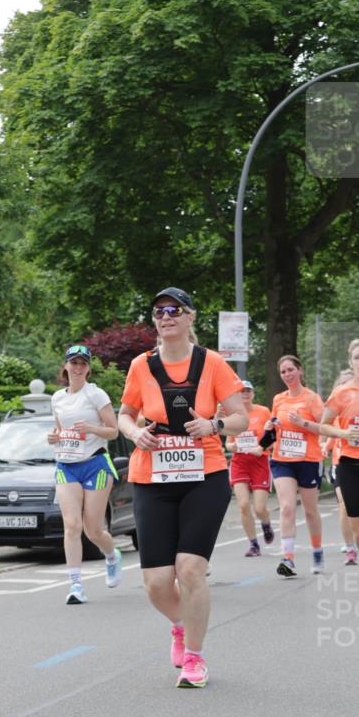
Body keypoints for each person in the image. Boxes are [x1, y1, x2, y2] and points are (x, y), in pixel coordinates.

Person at [118, 288, 247, 688]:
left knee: (190, 569)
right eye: (158, 311)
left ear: (190, 317)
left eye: (174, 309)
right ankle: (179, 623)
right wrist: (134, 433)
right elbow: (125, 415)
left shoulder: (213, 364)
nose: (165, 316)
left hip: (204, 475)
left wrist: (215, 425)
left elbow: (240, 417)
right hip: (152, 477)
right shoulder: (141, 366)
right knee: (157, 583)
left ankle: (195, 657)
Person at [288, 338, 359, 609]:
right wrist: (342, 433)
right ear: (351, 363)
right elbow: (323, 425)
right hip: (350, 466)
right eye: (358, 357)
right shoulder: (342, 393)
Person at [48, 345, 122, 605]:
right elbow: (60, 431)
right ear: (66, 366)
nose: (78, 368)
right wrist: (53, 437)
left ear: (88, 368)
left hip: (95, 465)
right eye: (73, 363)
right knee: (72, 525)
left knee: (93, 530)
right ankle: (76, 585)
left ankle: (112, 555)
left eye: (83, 364)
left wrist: (91, 427)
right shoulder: (57, 398)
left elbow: (113, 431)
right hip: (66, 465)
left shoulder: (96, 395)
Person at [259, 356, 325, 576]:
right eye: (283, 372)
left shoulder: (312, 399)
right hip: (283, 459)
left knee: (310, 511)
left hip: (308, 460)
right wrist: (270, 425)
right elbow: (274, 425)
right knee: (287, 507)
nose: (287, 375)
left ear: (300, 371)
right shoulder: (279, 399)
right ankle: (288, 559)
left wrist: (302, 423)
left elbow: (324, 428)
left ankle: (317, 551)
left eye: (290, 370)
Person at [226, 380, 274, 556]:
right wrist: (233, 447)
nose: (245, 393)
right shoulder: (233, 414)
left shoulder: (263, 412)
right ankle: (254, 544)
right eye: (241, 391)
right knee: (244, 505)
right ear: (237, 395)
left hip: (259, 462)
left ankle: (266, 523)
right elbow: (229, 443)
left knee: (259, 508)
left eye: (248, 390)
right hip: (240, 463)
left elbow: (271, 436)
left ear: (253, 393)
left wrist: (262, 447)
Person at [324, 369, 358, 565]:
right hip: (341, 463)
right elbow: (330, 433)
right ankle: (351, 548)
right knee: (344, 506)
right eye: (342, 384)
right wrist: (325, 447)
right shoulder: (333, 409)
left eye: (349, 383)